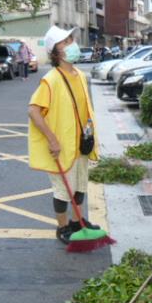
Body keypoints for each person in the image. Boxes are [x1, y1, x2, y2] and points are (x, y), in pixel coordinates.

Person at [27, 26, 100, 245]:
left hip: (80, 143)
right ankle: (63, 228)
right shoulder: (51, 79)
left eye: (71, 39)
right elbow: (33, 110)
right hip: (61, 146)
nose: (71, 44)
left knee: (80, 186)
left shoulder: (79, 75)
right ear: (55, 52)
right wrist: (52, 139)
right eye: (65, 42)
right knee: (62, 191)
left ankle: (78, 221)